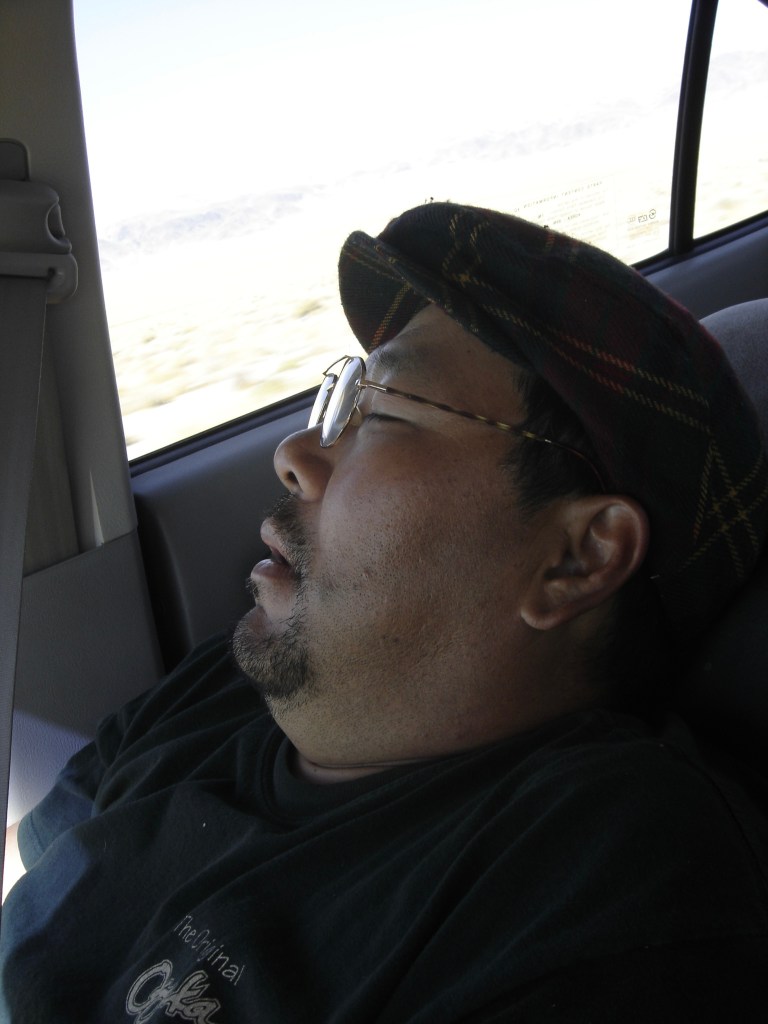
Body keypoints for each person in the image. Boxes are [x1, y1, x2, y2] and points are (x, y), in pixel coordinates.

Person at [2, 201, 768, 1022]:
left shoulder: (611, 890)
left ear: (577, 558)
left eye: (387, 412)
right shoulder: (223, 686)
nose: (295, 454)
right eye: (344, 397)